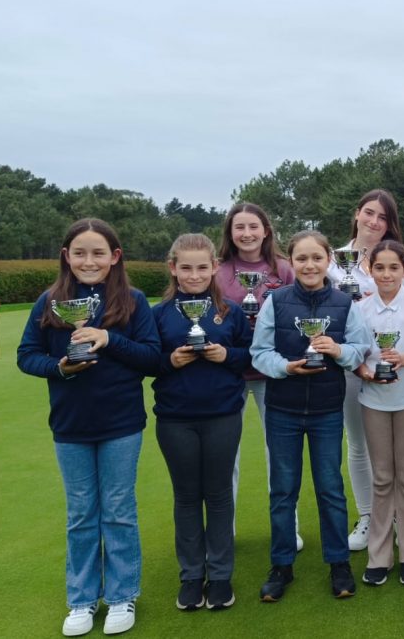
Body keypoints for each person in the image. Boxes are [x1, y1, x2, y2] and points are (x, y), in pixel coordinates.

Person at [17, 218, 161, 637]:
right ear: (66, 256)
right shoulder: (49, 301)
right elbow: (27, 356)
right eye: (79, 252)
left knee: (118, 511)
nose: (89, 260)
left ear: (115, 257)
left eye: (99, 252)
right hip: (70, 425)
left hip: (121, 423)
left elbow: (152, 359)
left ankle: (121, 595)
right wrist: (59, 367)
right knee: (81, 514)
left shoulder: (132, 301)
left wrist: (109, 339)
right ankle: (81, 599)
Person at [251, 230, 372, 602]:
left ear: (328, 262)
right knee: (283, 491)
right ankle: (281, 565)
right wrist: (287, 367)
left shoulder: (344, 303)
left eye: (316, 258)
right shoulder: (275, 301)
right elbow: (259, 353)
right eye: (301, 258)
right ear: (291, 261)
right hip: (283, 410)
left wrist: (337, 349)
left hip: (325, 410)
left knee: (330, 490)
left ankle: (339, 564)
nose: (309, 265)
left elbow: (360, 348)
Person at [151, 234, 252, 611]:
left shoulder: (230, 312)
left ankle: (221, 575)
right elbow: (145, 360)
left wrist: (227, 354)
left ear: (214, 269)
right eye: (186, 268)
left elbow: (248, 355)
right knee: (187, 497)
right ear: (173, 268)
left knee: (220, 494)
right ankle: (192, 575)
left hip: (223, 415)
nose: (194, 275)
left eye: (202, 267)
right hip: (176, 419)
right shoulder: (158, 314)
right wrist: (168, 362)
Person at [327, 189, 404, 552]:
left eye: (383, 217)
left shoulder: (399, 256)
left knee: (397, 455)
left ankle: (397, 517)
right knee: (358, 443)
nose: (374, 222)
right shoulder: (334, 259)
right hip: (348, 363)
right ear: (356, 214)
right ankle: (368, 516)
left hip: (394, 366)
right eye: (369, 213)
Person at [352, 240, 404, 587]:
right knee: (382, 477)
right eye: (379, 268)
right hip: (373, 399)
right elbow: (355, 355)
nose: (386, 274)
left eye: (393, 268)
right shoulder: (360, 308)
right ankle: (379, 555)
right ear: (370, 271)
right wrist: (365, 373)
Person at [215, 203, 299, 545]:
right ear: (230, 233)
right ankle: (224, 530)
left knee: (278, 453)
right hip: (229, 373)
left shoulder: (284, 269)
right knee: (226, 455)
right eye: (239, 227)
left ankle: (286, 527)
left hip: (274, 374)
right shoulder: (218, 272)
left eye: (253, 226)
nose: (247, 234)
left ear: (266, 230)